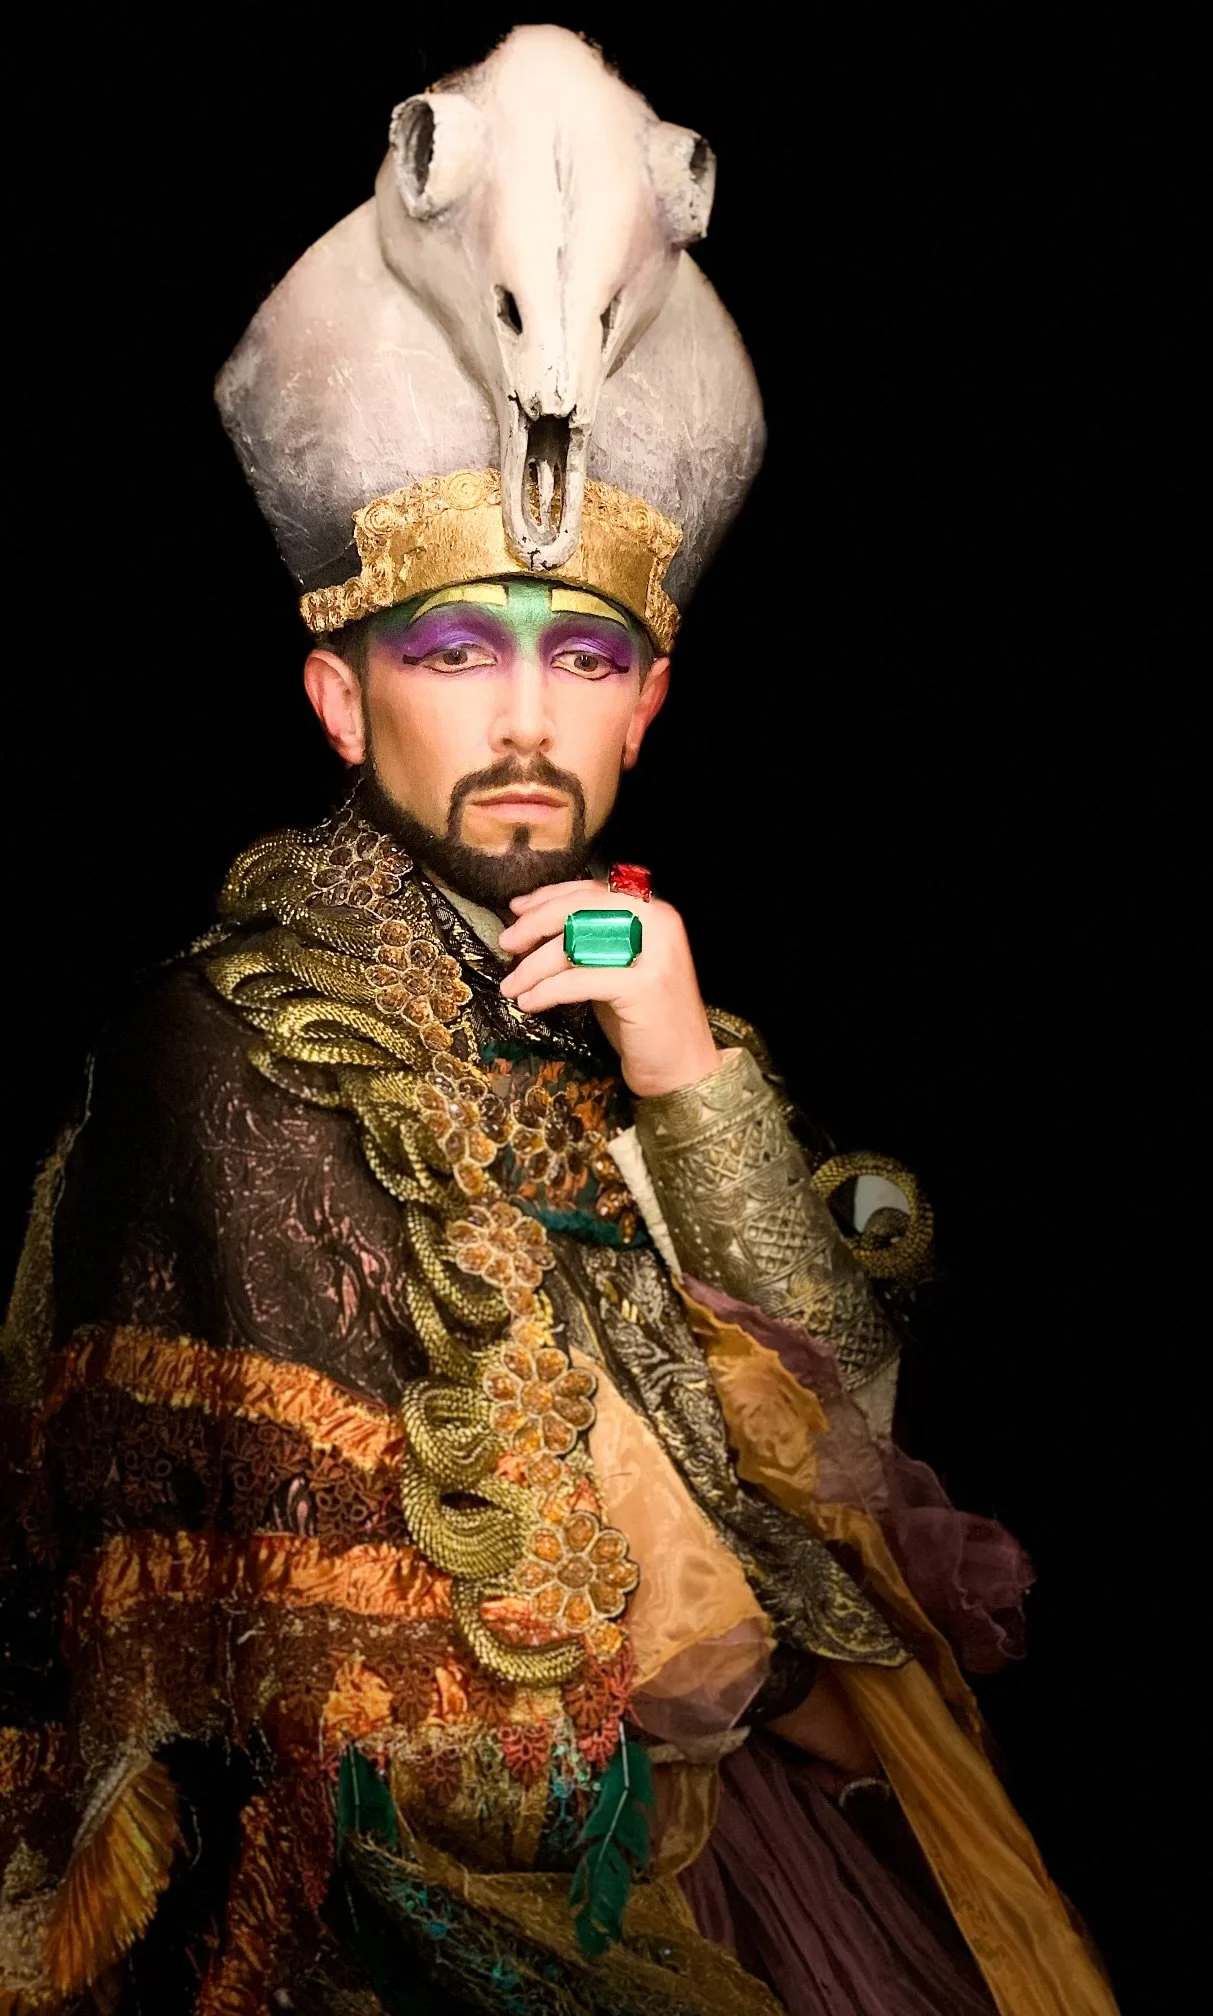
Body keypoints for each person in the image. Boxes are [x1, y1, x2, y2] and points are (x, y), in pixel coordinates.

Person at [0, 26, 1117, 2016]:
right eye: (453, 648)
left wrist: (685, 1068)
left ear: (647, 707)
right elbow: (318, 1686)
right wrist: (746, 1680)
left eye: (583, 656)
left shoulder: (637, 999)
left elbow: (850, 1441)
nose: (524, 718)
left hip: (749, 1841)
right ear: (341, 700)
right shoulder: (228, 1051)